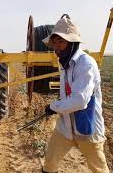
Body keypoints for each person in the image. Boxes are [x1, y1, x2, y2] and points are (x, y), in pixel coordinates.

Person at [42, 15, 109, 173]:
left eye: (61, 42)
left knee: (99, 169)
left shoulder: (86, 64)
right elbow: (71, 92)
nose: (57, 47)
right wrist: (61, 102)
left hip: (87, 128)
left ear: (72, 43)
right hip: (65, 127)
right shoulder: (65, 63)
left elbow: (80, 100)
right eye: (55, 42)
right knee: (49, 163)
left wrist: (54, 106)